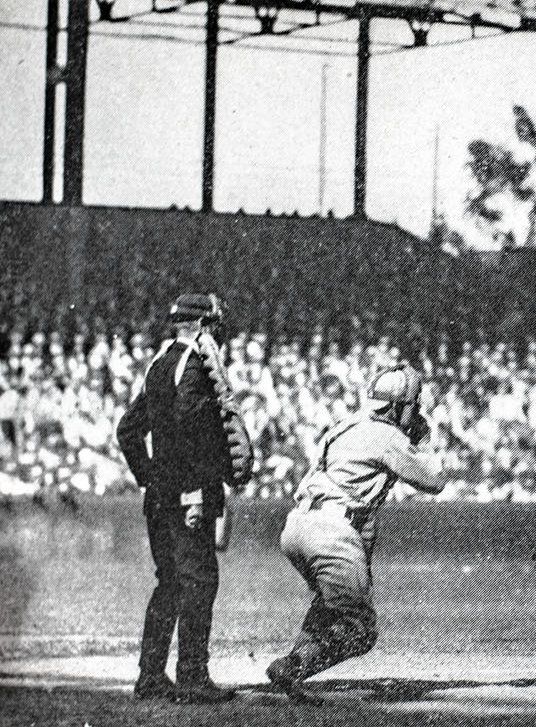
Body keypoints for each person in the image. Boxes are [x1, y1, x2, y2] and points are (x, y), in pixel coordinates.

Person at [266, 365, 446, 704]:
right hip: (332, 530)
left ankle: (291, 667)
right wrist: (423, 441)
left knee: (329, 602)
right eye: (412, 406)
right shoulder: (388, 436)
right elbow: (434, 480)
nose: (416, 412)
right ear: (398, 406)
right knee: (359, 629)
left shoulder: (345, 426)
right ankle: (292, 666)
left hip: (297, 526)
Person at [115, 293, 237, 704]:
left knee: (169, 581)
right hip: (189, 493)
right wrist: (197, 490)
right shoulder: (197, 366)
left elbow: (127, 430)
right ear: (202, 326)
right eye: (214, 324)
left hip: (159, 495)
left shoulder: (157, 365)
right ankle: (191, 675)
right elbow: (192, 428)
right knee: (200, 580)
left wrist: (151, 477)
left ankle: (150, 675)